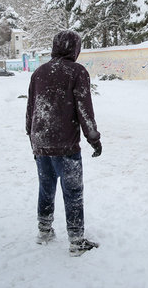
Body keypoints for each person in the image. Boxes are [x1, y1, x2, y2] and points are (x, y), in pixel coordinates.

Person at [26, 30, 103, 257]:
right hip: (66, 145)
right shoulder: (77, 71)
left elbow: (31, 109)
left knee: (46, 188)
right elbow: (84, 110)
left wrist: (33, 141)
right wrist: (94, 139)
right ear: (74, 48)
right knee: (73, 192)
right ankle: (77, 241)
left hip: (41, 142)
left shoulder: (39, 72)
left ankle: (44, 230)